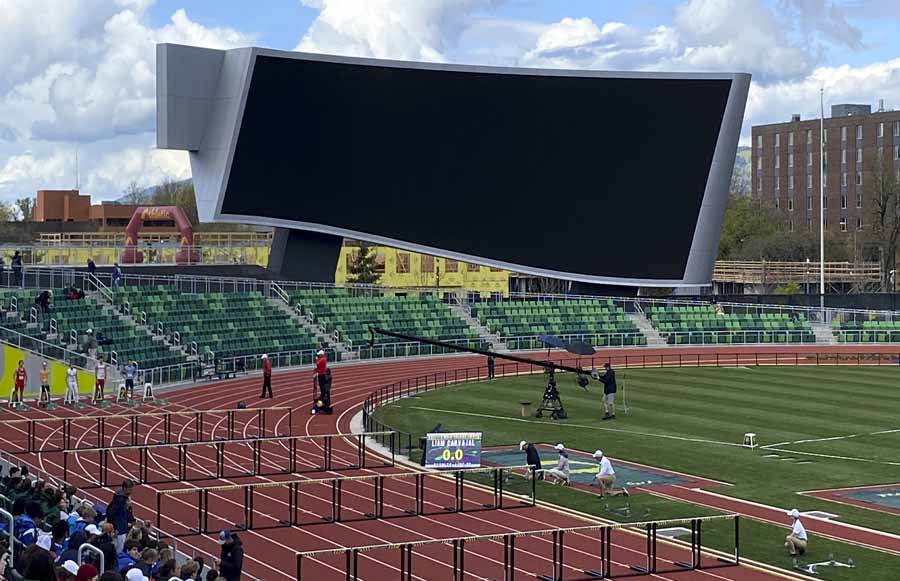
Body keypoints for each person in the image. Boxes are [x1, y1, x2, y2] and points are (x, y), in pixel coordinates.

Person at [106, 480, 135, 552]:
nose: (131, 492)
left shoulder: (120, 497)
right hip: (119, 529)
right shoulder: (120, 500)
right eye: (130, 489)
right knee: (119, 550)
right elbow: (111, 513)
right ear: (125, 488)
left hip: (121, 527)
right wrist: (114, 527)